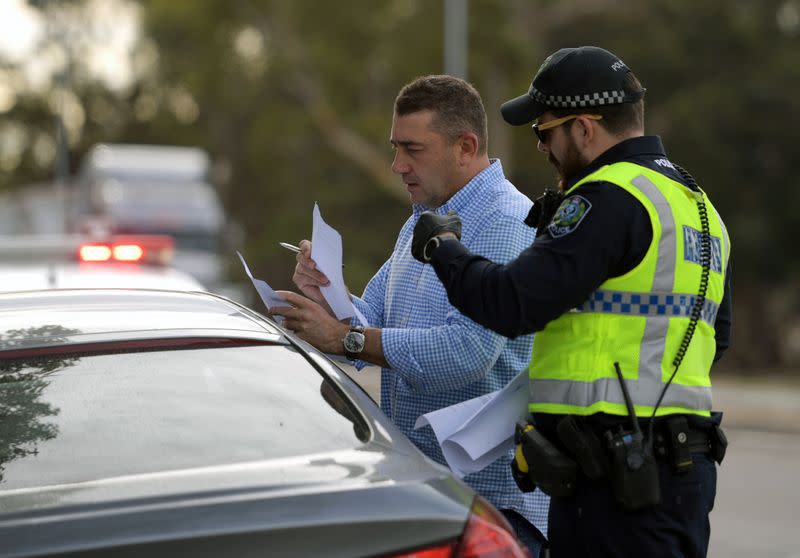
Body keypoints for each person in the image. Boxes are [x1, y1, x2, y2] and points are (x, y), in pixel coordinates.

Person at [410, 47, 732, 558]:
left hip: (614, 485)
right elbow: (716, 335)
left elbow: (511, 303)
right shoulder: (698, 206)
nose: (541, 147)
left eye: (545, 131)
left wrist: (442, 248)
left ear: (584, 128)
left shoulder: (608, 196)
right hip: (679, 474)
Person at [272, 75, 550, 556]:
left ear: (466, 147)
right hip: (436, 500)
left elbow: (469, 352)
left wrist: (347, 339)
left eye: (412, 149)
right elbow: (372, 316)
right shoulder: (421, 220)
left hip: (493, 514)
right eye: (395, 147)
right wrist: (326, 297)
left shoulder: (506, 222)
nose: (397, 165)